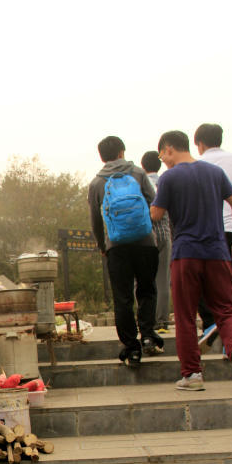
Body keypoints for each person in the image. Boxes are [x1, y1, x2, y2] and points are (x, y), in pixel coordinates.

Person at [151, 130, 232, 391]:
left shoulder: (169, 177)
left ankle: (192, 375)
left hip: (186, 254)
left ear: (169, 149)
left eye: (163, 156)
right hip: (217, 252)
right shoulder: (215, 173)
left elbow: (157, 215)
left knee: (184, 315)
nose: (164, 162)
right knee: (227, 310)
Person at [89, 135, 162, 367]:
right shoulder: (138, 174)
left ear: (102, 157)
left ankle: (132, 348)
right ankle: (149, 335)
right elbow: (154, 202)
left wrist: (103, 246)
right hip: (145, 242)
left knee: (122, 298)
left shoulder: (96, 183)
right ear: (122, 152)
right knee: (147, 290)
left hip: (116, 247)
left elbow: (95, 221)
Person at [193, 123, 232, 349]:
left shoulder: (195, 165)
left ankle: (209, 325)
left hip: (206, 233)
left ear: (200, 143)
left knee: (204, 283)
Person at [141, 151, 172, 333]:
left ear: (143, 166)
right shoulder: (164, 182)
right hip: (164, 235)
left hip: (145, 237)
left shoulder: (139, 182)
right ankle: (162, 322)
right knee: (163, 281)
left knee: (144, 281)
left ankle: (147, 321)